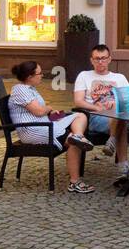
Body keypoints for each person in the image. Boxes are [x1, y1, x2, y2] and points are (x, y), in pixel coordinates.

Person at [10, 61, 96, 195]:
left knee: (80, 115)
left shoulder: (30, 88)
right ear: (29, 77)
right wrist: (49, 108)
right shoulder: (20, 90)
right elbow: (38, 111)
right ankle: (75, 182)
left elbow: (39, 112)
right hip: (33, 130)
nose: (42, 75)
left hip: (44, 123)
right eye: (39, 73)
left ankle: (78, 136)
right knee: (71, 141)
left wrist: (51, 113)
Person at [72, 43, 129, 178]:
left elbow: (128, 100)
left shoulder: (119, 78)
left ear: (110, 59)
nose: (100, 61)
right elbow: (78, 101)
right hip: (94, 117)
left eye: (103, 58)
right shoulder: (84, 76)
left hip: (116, 116)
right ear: (91, 60)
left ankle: (112, 140)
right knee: (124, 122)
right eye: (97, 58)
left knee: (123, 116)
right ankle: (123, 167)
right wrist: (97, 107)